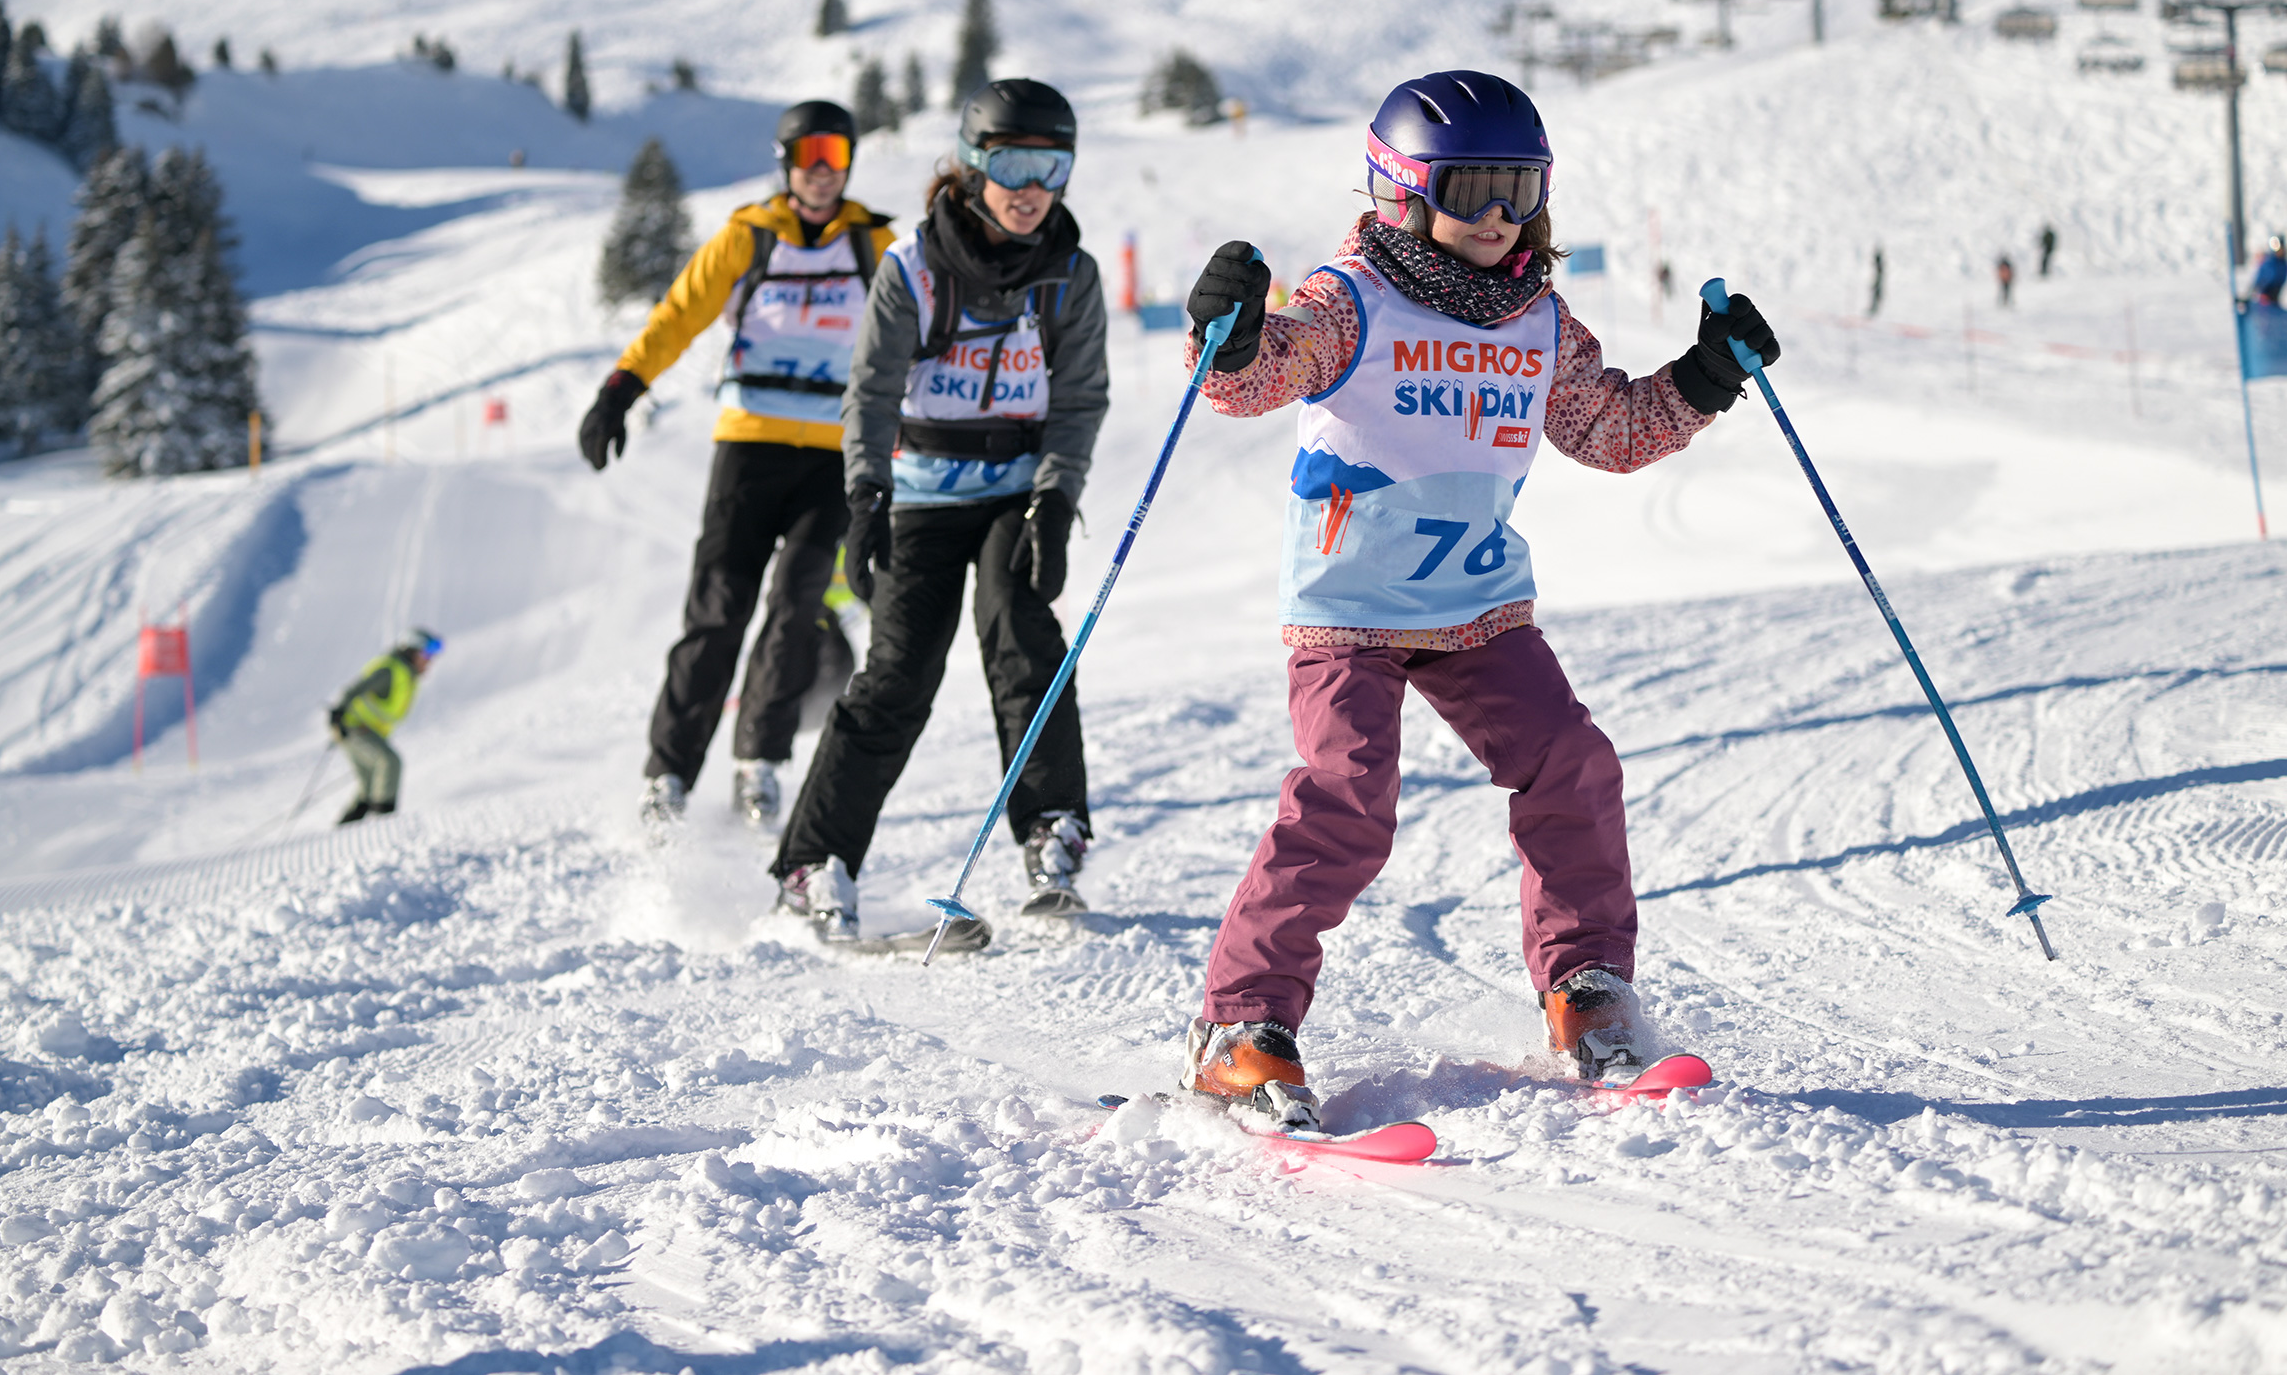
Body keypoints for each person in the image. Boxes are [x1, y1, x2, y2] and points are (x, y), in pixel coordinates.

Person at [1173, 70, 1780, 1127]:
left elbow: (1609, 430)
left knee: (1569, 763)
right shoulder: (1349, 298)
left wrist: (1702, 376)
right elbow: (1253, 379)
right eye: (1471, 191)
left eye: (1519, 191)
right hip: (1350, 606)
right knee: (1346, 793)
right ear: (1401, 190)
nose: (1499, 218)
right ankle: (1241, 1025)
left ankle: (1586, 991)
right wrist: (1223, 337)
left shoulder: (1537, 321)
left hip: (1478, 608)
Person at [771, 78, 1110, 942]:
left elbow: (1078, 400)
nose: (1030, 186)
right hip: (918, 496)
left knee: (1023, 641)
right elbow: (873, 389)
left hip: (1015, 496)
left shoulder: (1071, 275)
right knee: (897, 674)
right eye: (1010, 161)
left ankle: (1051, 832)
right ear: (971, 164)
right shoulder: (913, 270)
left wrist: (1056, 497)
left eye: (1051, 163)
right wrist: (863, 497)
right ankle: (815, 862)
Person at [578, 101, 899, 830]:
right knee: (718, 608)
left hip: (831, 457)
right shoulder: (750, 237)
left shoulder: (873, 245)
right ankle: (668, 773)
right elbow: (680, 314)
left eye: (837, 156)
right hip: (749, 447)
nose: (823, 171)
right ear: (785, 161)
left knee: (797, 609)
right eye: (810, 154)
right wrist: (619, 391)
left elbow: (913, 339)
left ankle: (759, 765)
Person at [328, 630, 442, 825]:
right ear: (411, 651)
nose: (429, 661)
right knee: (389, 762)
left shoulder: (407, 675)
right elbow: (359, 687)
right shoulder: (391, 670)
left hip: (365, 731)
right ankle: (384, 822)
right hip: (355, 727)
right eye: (425, 655)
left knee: (369, 786)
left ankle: (344, 830)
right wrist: (339, 711)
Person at [2255, 234, 2286, 307]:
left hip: (2275, 299)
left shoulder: (2283, 264)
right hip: (2265, 299)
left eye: (2281, 248)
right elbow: (2259, 280)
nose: (2280, 251)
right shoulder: (2269, 262)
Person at [1868, 245, 1884, 318]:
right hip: (1877, 282)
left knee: (1876, 295)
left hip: (1878, 283)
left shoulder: (1879, 269)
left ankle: (1874, 310)